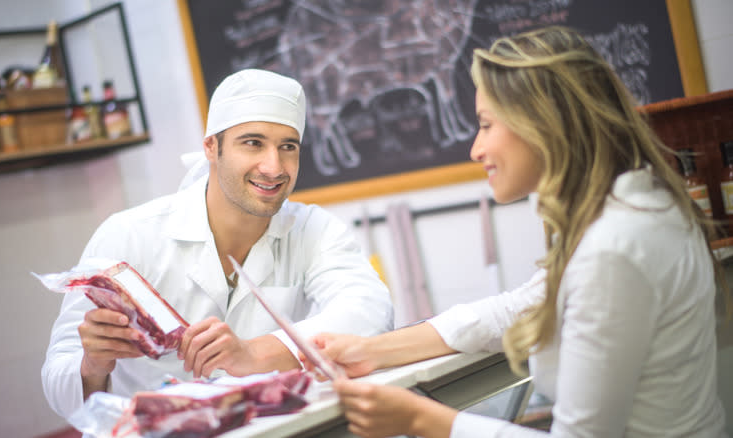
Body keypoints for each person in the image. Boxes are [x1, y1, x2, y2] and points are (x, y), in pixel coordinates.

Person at [304, 26, 731, 437]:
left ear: (544, 122)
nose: (476, 148)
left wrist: (421, 420)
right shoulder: (632, 207)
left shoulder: (613, 248)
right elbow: (519, 308)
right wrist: (371, 349)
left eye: (487, 124)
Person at [41, 68, 394, 420]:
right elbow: (59, 385)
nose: (274, 167)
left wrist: (256, 354)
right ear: (211, 146)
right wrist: (92, 365)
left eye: (288, 147)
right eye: (253, 143)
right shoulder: (130, 234)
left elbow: (371, 311)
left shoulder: (312, 230)